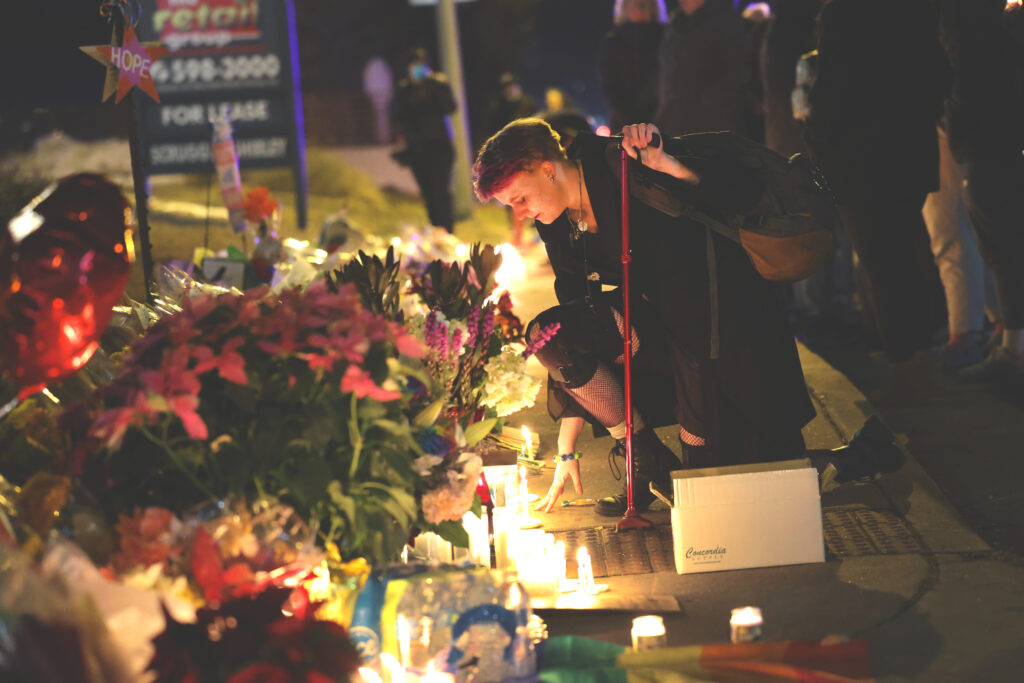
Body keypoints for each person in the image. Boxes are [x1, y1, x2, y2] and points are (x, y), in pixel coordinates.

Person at [472, 118, 905, 515]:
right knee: (549, 334)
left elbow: (738, 192)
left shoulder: (625, 162)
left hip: (723, 333)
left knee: (724, 490)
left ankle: (858, 457)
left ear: (547, 169)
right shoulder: (557, 223)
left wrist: (668, 164)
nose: (521, 213)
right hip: (654, 334)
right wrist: (566, 447)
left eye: (520, 198)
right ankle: (644, 459)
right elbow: (573, 322)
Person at [804, 0, 951, 406]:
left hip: (860, 159)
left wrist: (814, 142)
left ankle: (904, 373)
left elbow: (831, 87)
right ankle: (920, 367)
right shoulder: (916, 9)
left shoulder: (844, 11)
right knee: (905, 260)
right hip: (910, 150)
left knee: (881, 268)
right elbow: (941, 74)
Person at [942, 0, 1024, 380]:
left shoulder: (971, 24)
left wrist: (955, 128)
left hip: (988, 141)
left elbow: (966, 81)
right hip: (999, 137)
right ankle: (1010, 342)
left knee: (1002, 244)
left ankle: (1013, 350)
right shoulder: (1000, 22)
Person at [654, 0, 751, 137]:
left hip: (712, 124)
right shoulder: (676, 24)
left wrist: (706, 99)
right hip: (675, 120)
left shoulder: (723, 22)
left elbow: (738, 71)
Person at [391, 48, 457, 233]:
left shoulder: (437, 84)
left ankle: (447, 231)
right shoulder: (405, 89)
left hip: (439, 146)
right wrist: (410, 91)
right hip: (417, 149)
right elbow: (395, 113)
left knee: (441, 192)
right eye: (414, 64)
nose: (417, 68)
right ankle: (435, 228)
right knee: (428, 193)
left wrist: (430, 85)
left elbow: (450, 106)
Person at [599, 0, 668, 133]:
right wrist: (627, 119)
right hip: (624, 125)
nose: (639, 7)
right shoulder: (614, 42)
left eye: (643, 4)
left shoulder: (666, 38)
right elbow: (609, 86)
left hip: (661, 123)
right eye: (634, 4)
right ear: (625, 7)